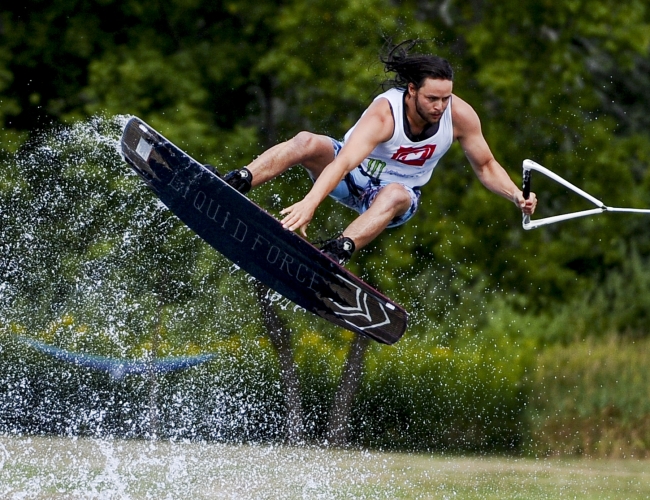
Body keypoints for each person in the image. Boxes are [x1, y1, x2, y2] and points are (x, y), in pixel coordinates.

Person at [218, 40, 537, 264]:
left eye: (446, 98)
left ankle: (338, 251)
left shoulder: (460, 116)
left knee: (397, 192)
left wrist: (515, 195)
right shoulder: (385, 115)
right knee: (306, 141)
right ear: (412, 90)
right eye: (432, 99)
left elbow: (485, 165)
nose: (440, 107)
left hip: (393, 200)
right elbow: (342, 163)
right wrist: (310, 203)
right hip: (352, 177)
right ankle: (235, 182)